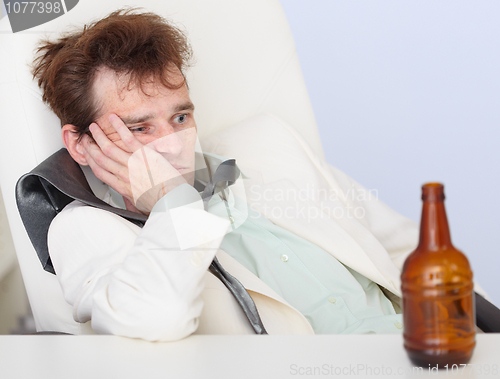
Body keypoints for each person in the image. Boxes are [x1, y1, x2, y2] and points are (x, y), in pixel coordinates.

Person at [32, 9, 419, 341]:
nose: (174, 144)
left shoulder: (269, 142)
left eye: (180, 117)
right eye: (140, 128)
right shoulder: (81, 228)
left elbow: (412, 250)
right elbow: (152, 323)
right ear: (81, 144)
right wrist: (172, 201)